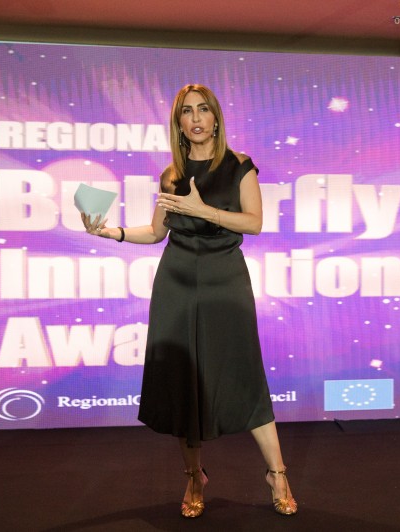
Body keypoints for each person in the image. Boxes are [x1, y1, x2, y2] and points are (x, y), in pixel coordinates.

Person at [81, 83, 297, 518]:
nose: (196, 118)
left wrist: (204, 212)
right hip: (176, 283)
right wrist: (112, 232)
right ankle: (194, 477)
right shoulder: (171, 175)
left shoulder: (240, 166)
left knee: (242, 376)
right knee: (184, 379)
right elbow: (157, 231)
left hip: (224, 280)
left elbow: (254, 223)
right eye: (186, 112)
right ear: (178, 123)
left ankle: (277, 473)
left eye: (203, 110)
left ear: (216, 118)